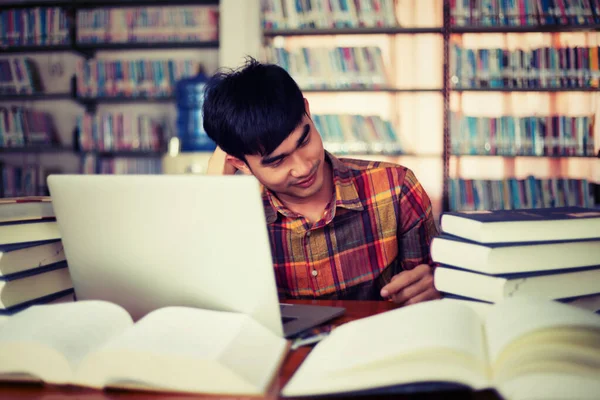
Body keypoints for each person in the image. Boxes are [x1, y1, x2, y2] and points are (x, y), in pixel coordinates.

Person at [202, 57, 441, 305]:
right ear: (240, 163)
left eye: (304, 141)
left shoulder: (396, 188)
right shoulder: (236, 216)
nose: (303, 167)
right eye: (277, 161)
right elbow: (213, 305)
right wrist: (215, 186)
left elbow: (430, 297)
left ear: (307, 110)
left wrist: (434, 286)